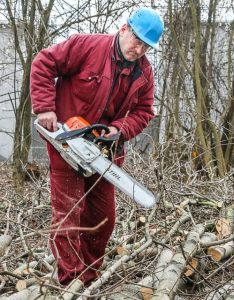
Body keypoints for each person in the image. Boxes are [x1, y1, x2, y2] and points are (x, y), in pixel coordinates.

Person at [30, 7, 164, 286]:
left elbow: (144, 111)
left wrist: (118, 129)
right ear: (124, 29)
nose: (138, 49)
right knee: (68, 215)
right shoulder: (87, 46)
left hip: (105, 151)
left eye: (145, 46)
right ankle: (69, 281)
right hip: (68, 145)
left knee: (103, 218)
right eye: (136, 40)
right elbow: (44, 63)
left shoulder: (144, 74)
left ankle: (89, 277)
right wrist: (45, 108)